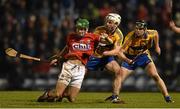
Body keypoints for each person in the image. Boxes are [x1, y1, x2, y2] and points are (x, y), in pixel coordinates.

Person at [104, 20, 174, 103]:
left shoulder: (150, 33)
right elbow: (120, 52)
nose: (137, 30)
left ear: (145, 30)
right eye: (136, 28)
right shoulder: (129, 37)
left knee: (155, 75)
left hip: (143, 56)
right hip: (129, 57)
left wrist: (157, 46)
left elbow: (156, 34)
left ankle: (167, 97)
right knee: (120, 77)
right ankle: (114, 96)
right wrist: (127, 60)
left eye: (140, 29)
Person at [37, 18, 100, 102]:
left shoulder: (93, 37)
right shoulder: (71, 36)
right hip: (69, 67)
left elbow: (107, 42)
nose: (81, 31)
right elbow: (67, 49)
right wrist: (57, 58)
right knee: (57, 93)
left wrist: (106, 38)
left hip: (81, 69)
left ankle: (58, 97)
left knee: (72, 98)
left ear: (87, 29)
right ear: (76, 28)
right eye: (79, 29)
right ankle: (47, 95)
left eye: (84, 29)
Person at [86, 13, 132, 103]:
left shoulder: (119, 34)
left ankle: (115, 97)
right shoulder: (98, 30)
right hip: (94, 56)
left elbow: (116, 51)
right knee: (80, 74)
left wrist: (106, 53)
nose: (110, 25)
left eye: (114, 23)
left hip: (106, 57)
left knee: (118, 72)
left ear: (117, 24)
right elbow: (92, 43)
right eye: (109, 22)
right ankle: (63, 93)